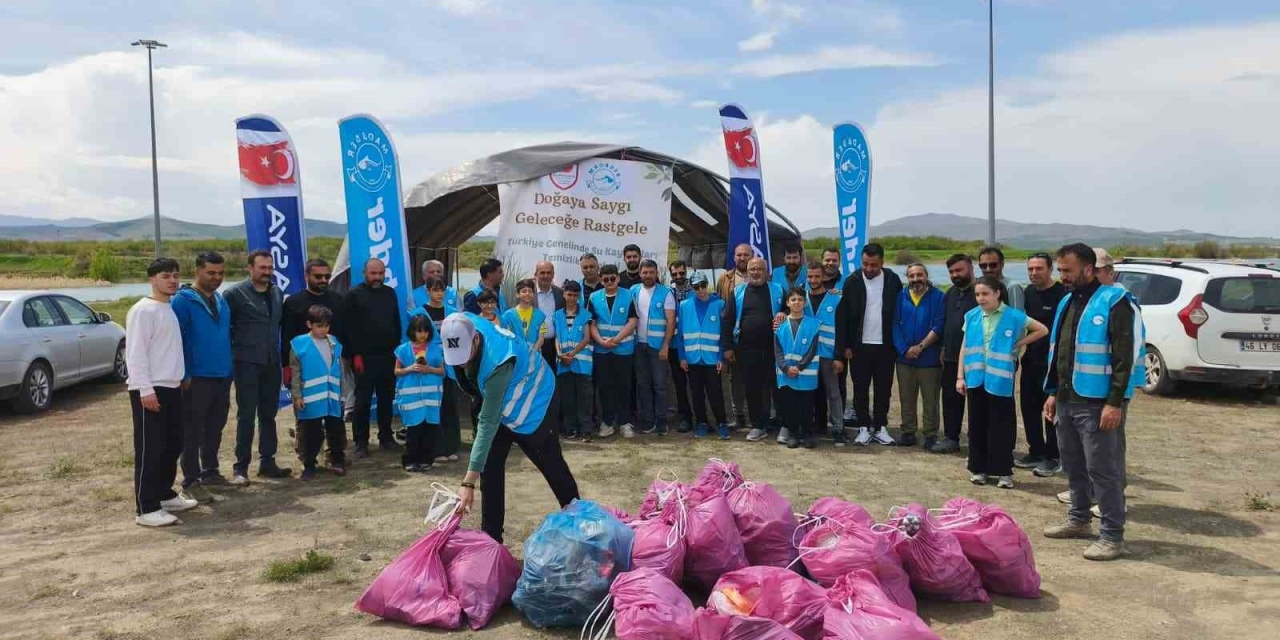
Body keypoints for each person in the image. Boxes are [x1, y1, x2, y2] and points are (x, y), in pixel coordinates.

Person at [1042, 243, 1144, 561]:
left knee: (1103, 470)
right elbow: (1060, 353)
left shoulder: (1115, 302)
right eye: (1060, 271)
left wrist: (1115, 402)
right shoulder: (1067, 303)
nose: (1063, 277)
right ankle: (1079, 519)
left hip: (1098, 403)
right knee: (1073, 465)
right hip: (1067, 399)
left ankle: (1112, 536)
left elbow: (1124, 357)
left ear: (1088, 269)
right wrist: (1053, 393)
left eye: (1068, 271)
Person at [443, 313, 581, 543]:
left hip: (533, 400)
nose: (462, 362)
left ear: (476, 339)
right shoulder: (459, 325)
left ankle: (582, 526)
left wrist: (467, 482)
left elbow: (488, 422)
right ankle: (492, 540)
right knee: (490, 468)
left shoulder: (498, 359)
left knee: (551, 464)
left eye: (465, 356)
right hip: (495, 398)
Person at [957, 276, 1049, 489]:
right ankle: (979, 469)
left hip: (1000, 381)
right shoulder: (971, 316)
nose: (981, 298)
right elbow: (965, 346)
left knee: (1001, 427)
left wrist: (1018, 344)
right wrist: (959, 376)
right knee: (977, 425)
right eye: (978, 294)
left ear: (998, 293)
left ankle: (1003, 472)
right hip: (975, 379)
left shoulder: (1014, 316)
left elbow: (1041, 330)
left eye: (985, 294)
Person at [127, 258, 197, 527]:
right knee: (150, 449)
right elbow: (136, 355)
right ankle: (146, 508)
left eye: (176, 276)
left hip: (171, 386)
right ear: (152, 279)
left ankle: (164, 494)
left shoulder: (168, 308)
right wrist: (145, 389)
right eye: (166, 276)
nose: (173, 280)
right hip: (150, 388)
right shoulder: (143, 311)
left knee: (172, 444)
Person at [226, 250, 290, 482]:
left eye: (270, 268)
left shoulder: (276, 292)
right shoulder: (234, 294)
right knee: (246, 415)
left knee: (268, 415)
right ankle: (240, 467)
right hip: (246, 363)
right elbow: (224, 328)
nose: (267, 272)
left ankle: (268, 462)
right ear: (250, 268)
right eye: (262, 268)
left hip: (271, 363)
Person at [171, 251, 232, 490]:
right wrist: (184, 374)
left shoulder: (221, 299)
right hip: (196, 377)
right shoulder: (183, 301)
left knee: (215, 426)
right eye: (211, 273)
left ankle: (211, 471)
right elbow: (175, 340)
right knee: (193, 429)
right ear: (197, 271)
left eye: (220, 273)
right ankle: (192, 479)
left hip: (222, 375)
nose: (217, 277)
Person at [837, 243, 901, 446]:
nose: (869, 269)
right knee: (860, 387)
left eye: (874, 265)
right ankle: (864, 427)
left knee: (884, 388)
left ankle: (881, 427)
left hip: (885, 345)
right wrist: (845, 346)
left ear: (882, 262)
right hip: (859, 346)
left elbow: (900, 310)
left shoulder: (892, 279)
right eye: (865, 264)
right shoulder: (852, 281)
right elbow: (844, 317)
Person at [343, 257, 403, 457]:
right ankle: (361, 442)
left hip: (387, 356)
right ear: (364, 274)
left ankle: (386, 437)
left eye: (380, 273)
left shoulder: (389, 293)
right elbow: (348, 328)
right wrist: (354, 355)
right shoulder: (354, 295)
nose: (377, 277)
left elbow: (396, 324)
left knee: (386, 398)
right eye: (373, 273)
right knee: (363, 402)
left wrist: (397, 353)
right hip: (364, 358)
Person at [721, 257, 784, 442]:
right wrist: (728, 347)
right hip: (746, 350)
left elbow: (792, 309)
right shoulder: (738, 292)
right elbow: (727, 320)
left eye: (759, 269)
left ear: (766, 272)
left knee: (777, 388)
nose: (756, 272)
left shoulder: (778, 290)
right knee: (752, 389)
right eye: (752, 269)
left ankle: (782, 425)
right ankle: (758, 426)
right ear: (748, 271)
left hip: (774, 349)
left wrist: (784, 313)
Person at [1017, 252, 1068, 476]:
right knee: (1029, 409)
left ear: (1050, 269)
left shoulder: (1062, 295)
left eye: (1039, 269)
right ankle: (1035, 451)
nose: (1034, 273)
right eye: (1030, 269)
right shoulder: (1027, 293)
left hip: (1053, 363)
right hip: (1031, 361)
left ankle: (1053, 456)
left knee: (1051, 411)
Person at [281, 258, 348, 425]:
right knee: (306, 414)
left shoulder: (337, 300)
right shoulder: (293, 303)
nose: (323, 280)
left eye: (327, 276)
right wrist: (286, 366)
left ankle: (335, 447)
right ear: (306, 276)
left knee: (334, 411)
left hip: (331, 364)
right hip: (304, 366)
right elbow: (287, 336)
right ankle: (305, 444)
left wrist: (349, 356)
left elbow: (343, 332)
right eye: (318, 277)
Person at [288, 305, 347, 480]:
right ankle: (309, 464)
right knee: (311, 432)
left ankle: (337, 460)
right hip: (310, 398)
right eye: (319, 325)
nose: (323, 329)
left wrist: (343, 394)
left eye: (326, 325)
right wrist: (297, 396)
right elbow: (296, 373)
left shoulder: (335, 343)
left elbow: (340, 370)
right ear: (309, 324)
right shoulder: (299, 344)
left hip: (332, 396)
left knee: (335, 429)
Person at [892, 263, 945, 449]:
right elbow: (895, 325)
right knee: (906, 398)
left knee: (930, 400)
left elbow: (939, 325)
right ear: (908, 278)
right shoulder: (901, 296)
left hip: (929, 359)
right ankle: (908, 432)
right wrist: (904, 349)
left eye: (919, 275)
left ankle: (930, 435)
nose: (916, 279)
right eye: (912, 276)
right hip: (904, 358)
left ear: (926, 275)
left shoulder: (938, 297)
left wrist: (921, 346)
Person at [410, 277, 461, 463]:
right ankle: (436, 448)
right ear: (428, 291)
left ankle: (451, 447)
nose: (439, 293)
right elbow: (412, 340)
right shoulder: (418, 313)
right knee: (433, 408)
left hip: (450, 366)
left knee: (450, 406)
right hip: (429, 364)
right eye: (435, 290)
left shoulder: (454, 313)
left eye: (442, 290)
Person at [934, 253, 978, 454]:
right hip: (951, 357)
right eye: (951, 272)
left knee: (977, 402)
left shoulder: (981, 292)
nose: (955, 275)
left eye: (959, 270)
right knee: (951, 400)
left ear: (971, 267)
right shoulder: (950, 293)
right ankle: (951, 438)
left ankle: (978, 440)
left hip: (976, 359)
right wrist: (943, 347)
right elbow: (946, 323)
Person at [589, 264, 638, 438]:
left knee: (624, 386)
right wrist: (601, 341)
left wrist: (615, 340)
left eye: (612, 278)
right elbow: (592, 324)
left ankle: (624, 422)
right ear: (601, 280)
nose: (609, 281)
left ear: (618, 278)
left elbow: (633, 321)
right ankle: (607, 422)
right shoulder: (594, 297)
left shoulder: (628, 295)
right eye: (605, 279)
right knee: (605, 387)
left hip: (623, 349)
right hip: (602, 350)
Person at [679, 272, 729, 440]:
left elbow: (724, 334)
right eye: (696, 287)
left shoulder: (720, 304)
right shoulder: (684, 305)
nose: (700, 290)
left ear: (707, 284)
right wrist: (682, 357)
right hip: (692, 358)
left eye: (702, 285)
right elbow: (679, 335)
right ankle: (701, 423)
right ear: (692, 288)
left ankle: (722, 423)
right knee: (696, 394)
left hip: (712, 358)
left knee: (716, 393)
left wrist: (721, 357)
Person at [393, 315, 445, 473]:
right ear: (412, 331)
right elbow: (396, 371)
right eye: (419, 331)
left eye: (426, 331)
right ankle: (410, 460)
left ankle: (426, 460)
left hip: (431, 398)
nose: (423, 335)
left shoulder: (436, 349)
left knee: (430, 430)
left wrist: (430, 369)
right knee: (413, 431)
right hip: (411, 399)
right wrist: (410, 369)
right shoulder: (403, 349)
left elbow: (442, 371)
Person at [803, 261, 846, 446]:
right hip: (806, 356)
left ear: (824, 277)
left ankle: (838, 429)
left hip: (828, 355)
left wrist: (839, 356)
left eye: (817, 276)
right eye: (810, 276)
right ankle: (809, 427)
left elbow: (842, 329)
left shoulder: (836, 298)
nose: (813, 280)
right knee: (807, 393)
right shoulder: (800, 299)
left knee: (833, 393)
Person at [631, 259, 676, 436]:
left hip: (658, 347)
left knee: (659, 386)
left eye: (651, 272)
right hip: (638, 346)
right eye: (645, 272)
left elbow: (671, 322)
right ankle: (647, 422)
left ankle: (661, 422)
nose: (648, 275)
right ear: (640, 273)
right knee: (643, 385)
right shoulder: (633, 291)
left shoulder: (666, 293)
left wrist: (665, 346)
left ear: (656, 273)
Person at [776, 287, 821, 449]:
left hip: (806, 374)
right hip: (786, 374)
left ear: (805, 302)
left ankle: (808, 434)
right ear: (787, 303)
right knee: (790, 405)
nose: (797, 302)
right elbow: (778, 350)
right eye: (793, 299)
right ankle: (793, 434)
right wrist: (785, 367)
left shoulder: (814, 324)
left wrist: (800, 367)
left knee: (807, 406)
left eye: (800, 299)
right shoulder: (780, 326)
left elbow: (813, 349)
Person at [717, 243, 754, 429]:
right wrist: (726, 343)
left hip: (756, 339)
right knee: (735, 379)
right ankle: (738, 413)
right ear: (734, 257)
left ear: (752, 256)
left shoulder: (761, 276)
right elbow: (720, 308)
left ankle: (754, 414)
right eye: (739, 255)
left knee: (755, 379)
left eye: (746, 255)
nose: (742, 258)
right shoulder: (725, 278)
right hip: (734, 336)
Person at [553, 280, 594, 441]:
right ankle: (570, 428)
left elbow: (587, 338)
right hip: (563, 363)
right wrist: (559, 354)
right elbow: (557, 337)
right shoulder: (557, 315)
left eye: (575, 295)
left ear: (579, 296)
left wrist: (572, 354)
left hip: (582, 363)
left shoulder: (585, 314)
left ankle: (586, 429)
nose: (571, 298)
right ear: (564, 294)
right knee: (567, 398)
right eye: (569, 295)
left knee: (584, 398)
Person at [666, 260, 695, 433]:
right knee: (680, 384)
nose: (678, 277)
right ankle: (685, 417)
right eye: (675, 274)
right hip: (674, 346)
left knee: (697, 384)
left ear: (687, 272)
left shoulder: (696, 290)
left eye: (681, 273)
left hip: (694, 345)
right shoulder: (667, 293)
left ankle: (701, 417)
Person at [533, 261, 566, 369]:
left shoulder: (561, 293)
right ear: (536, 275)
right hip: (535, 343)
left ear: (553, 275)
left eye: (549, 273)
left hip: (555, 344)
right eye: (542, 273)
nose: (546, 276)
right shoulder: (528, 294)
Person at [501, 278, 547, 351]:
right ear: (517, 294)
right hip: (516, 354)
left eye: (530, 291)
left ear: (533, 294)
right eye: (524, 291)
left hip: (534, 356)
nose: (527, 293)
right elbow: (506, 338)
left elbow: (541, 339)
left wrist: (532, 352)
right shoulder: (508, 315)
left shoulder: (540, 315)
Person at [978, 246, 1025, 311]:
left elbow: (1018, 318)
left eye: (993, 265)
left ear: (1002, 264)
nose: (988, 269)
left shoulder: (1012, 287)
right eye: (983, 266)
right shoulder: (978, 288)